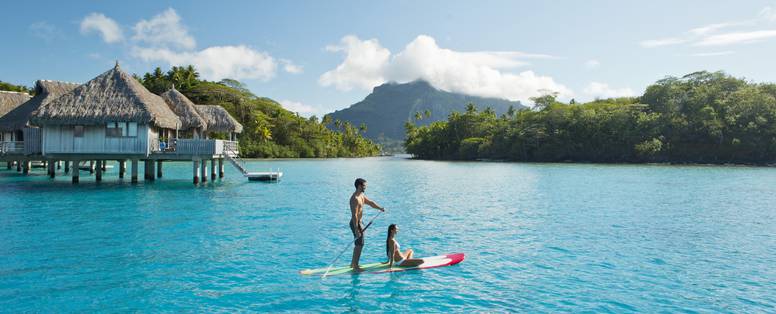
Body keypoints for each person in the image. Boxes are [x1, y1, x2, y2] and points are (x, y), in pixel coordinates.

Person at [350, 178, 385, 271]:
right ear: (359, 186)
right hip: (355, 223)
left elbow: (370, 203)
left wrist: (380, 208)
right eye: (364, 185)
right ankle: (355, 266)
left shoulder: (361, 195)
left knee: (359, 244)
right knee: (360, 244)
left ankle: (352, 264)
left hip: (359, 222)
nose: (365, 187)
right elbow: (354, 215)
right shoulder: (355, 199)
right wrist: (357, 229)